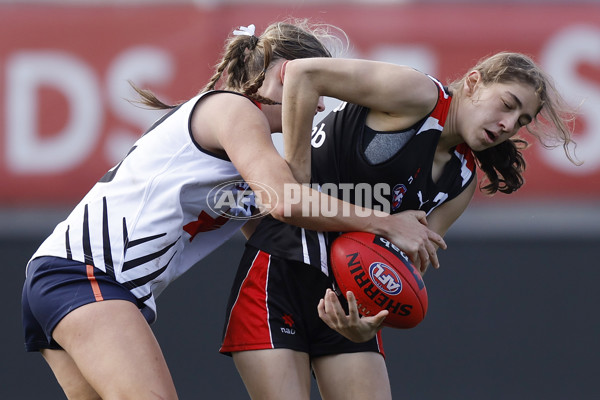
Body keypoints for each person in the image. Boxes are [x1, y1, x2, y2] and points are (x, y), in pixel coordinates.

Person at [21, 20, 446, 400]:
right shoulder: (234, 109)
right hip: (89, 276)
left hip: (67, 279)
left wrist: (348, 308)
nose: (318, 107)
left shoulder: (244, 144)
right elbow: (288, 202)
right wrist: (387, 223)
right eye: (319, 93)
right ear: (286, 76)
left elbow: (281, 235)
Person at [220, 52, 579, 400]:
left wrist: (370, 319)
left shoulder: (463, 180)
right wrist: (296, 174)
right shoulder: (419, 93)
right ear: (473, 83)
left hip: (345, 300)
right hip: (279, 274)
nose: (508, 124)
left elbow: (401, 269)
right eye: (507, 104)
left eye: (521, 121)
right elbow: (300, 73)